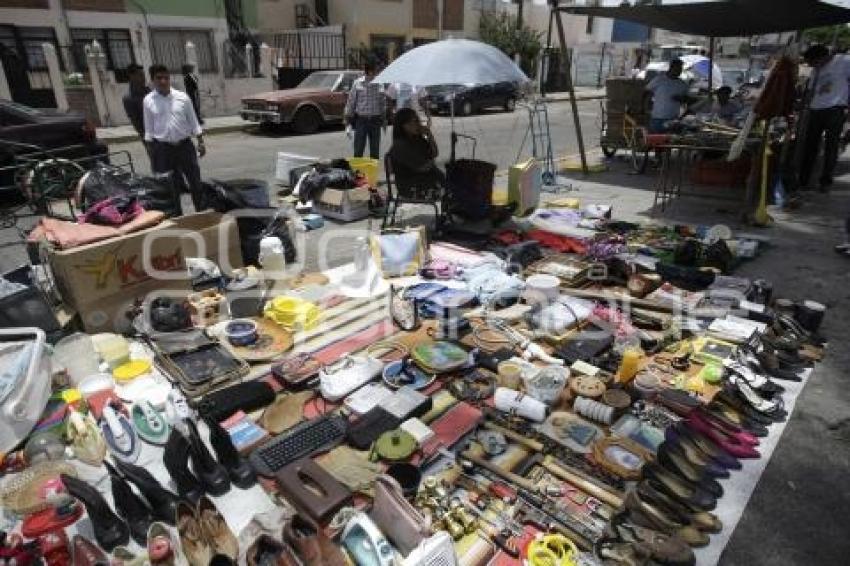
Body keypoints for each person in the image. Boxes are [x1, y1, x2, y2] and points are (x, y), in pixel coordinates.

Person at [143, 64, 206, 213]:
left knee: (195, 182)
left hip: (185, 146)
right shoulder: (148, 101)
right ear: (152, 80)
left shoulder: (182, 98)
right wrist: (152, 154)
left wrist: (201, 142)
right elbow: (149, 129)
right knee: (170, 187)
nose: (163, 81)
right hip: (163, 148)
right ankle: (177, 216)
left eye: (166, 77)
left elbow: (193, 121)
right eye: (159, 78)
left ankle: (201, 213)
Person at [799, 44, 850, 192]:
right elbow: (810, 91)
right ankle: (804, 180)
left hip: (835, 109)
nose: (812, 66)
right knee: (810, 146)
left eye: (813, 63)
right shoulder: (815, 70)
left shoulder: (844, 61)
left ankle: (825, 182)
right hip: (816, 110)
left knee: (831, 146)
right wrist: (804, 105)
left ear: (822, 57)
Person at [389, 107, 444, 199]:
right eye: (414, 122)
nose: (417, 124)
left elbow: (434, 153)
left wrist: (429, 135)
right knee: (454, 191)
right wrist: (432, 163)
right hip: (412, 188)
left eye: (417, 121)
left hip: (424, 181)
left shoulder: (417, 139)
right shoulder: (400, 145)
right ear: (404, 125)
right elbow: (423, 168)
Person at [344, 60, 387, 159]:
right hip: (361, 120)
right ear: (370, 71)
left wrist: (384, 119)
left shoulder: (380, 84)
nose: (378, 71)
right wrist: (347, 121)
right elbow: (351, 102)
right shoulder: (357, 83)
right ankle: (358, 173)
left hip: (375, 121)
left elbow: (382, 104)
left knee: (375, 151)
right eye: (377, 69)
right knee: (358, 150)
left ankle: (372, 174)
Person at [644, 59, 690, 133]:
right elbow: (647, 93)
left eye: (681, 69)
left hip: (673, 118)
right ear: (671, 68)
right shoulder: (659, 79)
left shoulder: (682, 84)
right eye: (677, 68)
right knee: (655, 139)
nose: (679, 71)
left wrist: (681, 99)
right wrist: (646, 108)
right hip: (657, 118)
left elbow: (687, 100)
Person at [122, 64, 151, 158]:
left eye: (143, 75)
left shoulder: (149, 91)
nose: (144, 78)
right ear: (132, 76)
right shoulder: (129, 98)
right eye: (140, 75)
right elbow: (136, 121)